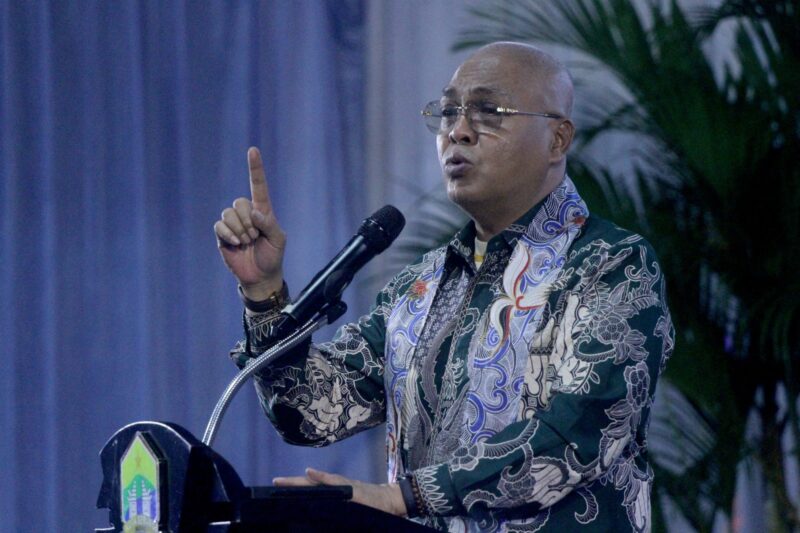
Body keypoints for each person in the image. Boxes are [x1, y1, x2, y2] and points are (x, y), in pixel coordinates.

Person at [214, 42, 674, 532]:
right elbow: (312, 413)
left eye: (488, 112)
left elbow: (577, 434)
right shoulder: (419, 287)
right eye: (450, 111)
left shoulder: (611, 264)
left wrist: (406, 497)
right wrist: (264, 292)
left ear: (557, 140)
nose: (458, 131)